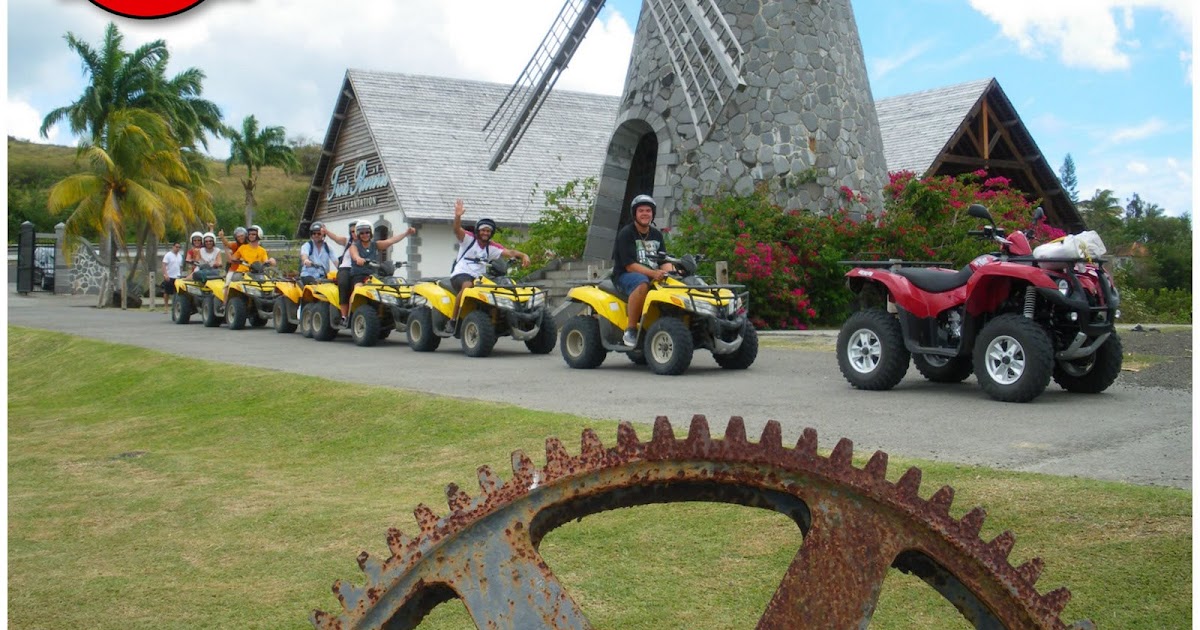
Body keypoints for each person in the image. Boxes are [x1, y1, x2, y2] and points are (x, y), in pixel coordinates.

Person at [447, 199, 530, 332]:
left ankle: (496, 320)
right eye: (483, 230)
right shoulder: (469, 239)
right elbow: (457, 229)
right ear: (478, 231)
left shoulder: (492, 247)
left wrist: (524, 255)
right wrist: (458, 216)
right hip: (460, 275)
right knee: (468, 287)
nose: (485, 233)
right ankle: (453, 320)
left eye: (488, 231)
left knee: (496, 290)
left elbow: (510, 252)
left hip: (479, 278)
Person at [612, 194, 674, 347]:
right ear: (635, 214)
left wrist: (674, 273)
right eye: (641, 211)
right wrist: (654, 273)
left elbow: (663, 261)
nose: (645, 214)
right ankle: (631, 329)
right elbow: (630, 265)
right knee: (642, 284)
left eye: (648, 210)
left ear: (652, 214)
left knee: (677, 283)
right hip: (626, 275)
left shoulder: (657, 235)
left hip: (652, 274)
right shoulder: (626, 233)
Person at [339, 219, 417, 324]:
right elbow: (354, 254)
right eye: (361, 233)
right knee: (357, 290)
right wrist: (358, 259)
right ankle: (347, 317)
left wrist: (406, 233)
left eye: (367, 232)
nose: (364, 235)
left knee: (384, 292)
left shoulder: (375, 245)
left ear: (370, 232)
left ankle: (384, 314)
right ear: (358, 234)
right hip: (359, 276)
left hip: (373, 276)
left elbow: (391, 241)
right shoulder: (354, 246)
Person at [223, 224, 276, 302]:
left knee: (270, 283)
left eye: (253, 234)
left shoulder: (262, 250)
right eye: (250, 234)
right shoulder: (242, 248)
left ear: (259, 235)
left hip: (256, 274)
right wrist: (227, 250)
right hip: (242, 273)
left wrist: (271, 261)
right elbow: (232, 259)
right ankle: (225, 304)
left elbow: (266, 261)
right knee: (229, 284)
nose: (251, 236)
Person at [299, 221, 347, 286]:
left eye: (319, 233)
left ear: (323, 235)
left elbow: (336, 262)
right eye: (314, 233)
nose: (316, 235)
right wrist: (306, 260)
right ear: (311, 234)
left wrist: (343, 269)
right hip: (308, 275)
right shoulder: (307, 245)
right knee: (313, 286)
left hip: (323, 277)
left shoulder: (328, 247)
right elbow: (304, 256)